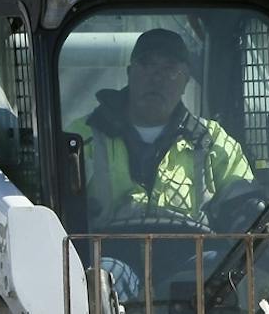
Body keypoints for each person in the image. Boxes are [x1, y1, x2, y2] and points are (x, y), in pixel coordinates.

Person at [69, 27, 253, 231]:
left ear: (185, 82)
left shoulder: (212, 141)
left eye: (171, 69)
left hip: (197, 259)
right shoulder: (82, 136)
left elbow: (246, 204)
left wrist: (255, 222)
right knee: (106, 265)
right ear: (130, 73)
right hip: (104, 257)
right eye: (147, 65)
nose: (157, 78)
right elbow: (59, 206)